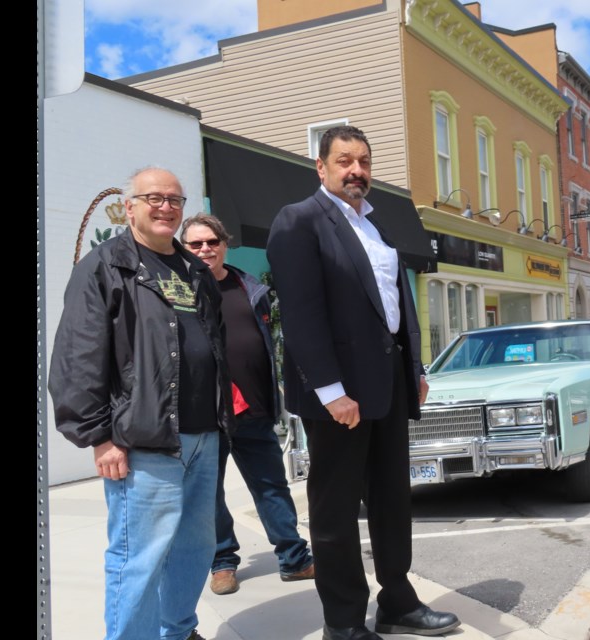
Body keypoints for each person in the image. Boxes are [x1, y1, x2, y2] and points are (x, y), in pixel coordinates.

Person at [266, 125, 460, 640]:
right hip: (340, 396)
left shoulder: (377, 228)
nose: (357, 171)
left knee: (393, 499)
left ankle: (397, 600)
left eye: (365, 162)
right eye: (345, 161)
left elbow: (398, 306)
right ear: (321, 167)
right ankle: (344, 623)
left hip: (390, 386)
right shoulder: (299, 221)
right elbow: (302, 314)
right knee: (334, 511)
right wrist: (331, 392)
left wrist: (414, 368)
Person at [49, 167, 234, 640]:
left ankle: (177, 630)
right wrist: (98, 437)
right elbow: (76, 357)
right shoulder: (105, 266)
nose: (165, 206)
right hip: (144, 441)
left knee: (195, 550)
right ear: (129, 206)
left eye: (174, 199)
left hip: (203, 438)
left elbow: (212, 344)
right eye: (153, 197)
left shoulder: (195, 270)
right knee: (139, 559)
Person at [179, 213, 315, 595]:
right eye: (196, 244)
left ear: (224, 244)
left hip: (254, 408)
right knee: (209, 494)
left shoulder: (248, 286)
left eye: (212, 242)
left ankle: (295, 559)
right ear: (184, 249)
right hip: (206, 414)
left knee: (272, 487)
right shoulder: (180, 292)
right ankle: (222, 563)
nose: (205, 249)